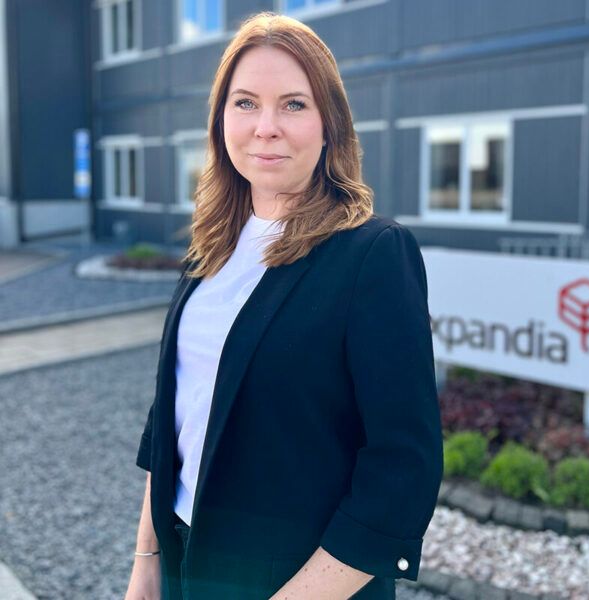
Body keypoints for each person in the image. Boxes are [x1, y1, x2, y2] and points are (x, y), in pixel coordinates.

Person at [124, 11, 443, 600]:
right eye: (245, 103)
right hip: (184, 564)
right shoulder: (211, 247)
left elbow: (403, 466)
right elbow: (177, 413)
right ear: (221, 120)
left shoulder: (371, 254)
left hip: (299, 582)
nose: (266, 127)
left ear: (330, 126)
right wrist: (146, 565)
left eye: (293, 104)